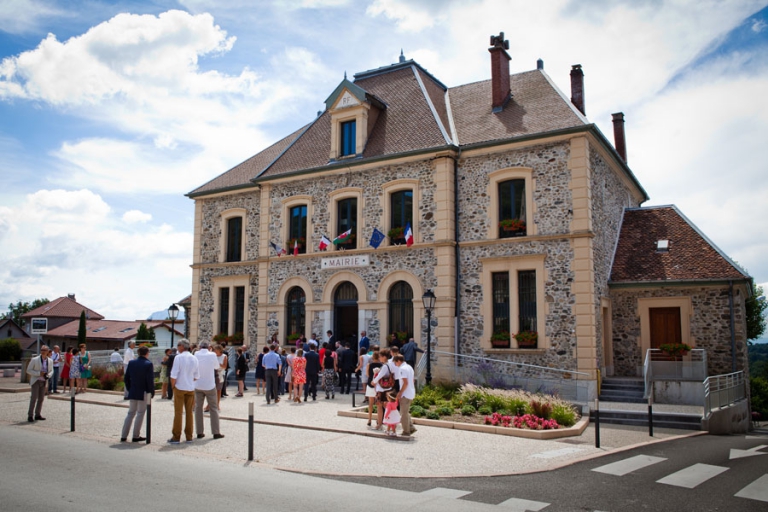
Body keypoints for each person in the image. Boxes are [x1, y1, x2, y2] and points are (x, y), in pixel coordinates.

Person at [168, 340, 199, 444]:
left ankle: (176, 436)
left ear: (181, 346)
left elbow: (173, 375)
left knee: (178, 412)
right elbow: (196, 376)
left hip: (180, 387)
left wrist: (173, 387)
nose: (177, 347)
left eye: (178, 345)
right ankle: (189, 436)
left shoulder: (178, 357)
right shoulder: (194, 358)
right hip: (190, 387)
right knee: (189, 413)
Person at [120, 346, 154, 442]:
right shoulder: (148, 364)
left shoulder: (131, 363)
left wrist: (130, 388)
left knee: (130, 413)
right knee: (140, 413)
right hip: (143, 391)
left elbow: (126, 378)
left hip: (133, 390)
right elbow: (149, 380)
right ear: (147, 353)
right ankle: (135, 435)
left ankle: (124, 435)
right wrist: (151, 392)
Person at [194, 341, 224, 440]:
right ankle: (216, 432)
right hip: (209, 385)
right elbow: (216, 367)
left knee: (198, 408)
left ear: (200, 347)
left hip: (198, 384)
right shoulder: (212, 355)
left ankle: (199, 432)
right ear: (209, 347)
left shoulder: (196, 354)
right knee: (213, 408)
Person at [27, 346, 53, 422]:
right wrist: (39, 373)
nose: (43, 351)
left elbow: (51, 370)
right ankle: (30, 415)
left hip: (44, 381)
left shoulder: (50, 361)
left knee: (41, 399)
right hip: (36, 380)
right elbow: (28, 370)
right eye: (42, 350)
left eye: (45, 350)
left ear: (48, 351)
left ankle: (37, 414)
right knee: (34, 398)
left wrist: (48, 375)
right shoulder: (35, 359)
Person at [393, 354, 417, 436]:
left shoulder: (402, 369)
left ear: (399, 361)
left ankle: (406, 431)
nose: (395, 364)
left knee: (403, 414)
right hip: (411, 392)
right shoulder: (409, 367)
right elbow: (412, 380)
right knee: (406, 412)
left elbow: (405, 382)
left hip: (405, 394)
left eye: (395, 363)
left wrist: (400, 392)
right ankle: (410, 427)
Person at [372, 349, 395, 430]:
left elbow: (380, 376)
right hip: (388, 388)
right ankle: (389, 423)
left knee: (380, 407)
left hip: (382, 389)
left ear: (384, 357)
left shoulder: (385, 366)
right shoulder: (390, 365)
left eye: (380, 357)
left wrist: (374, 381)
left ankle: (380, 424)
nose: (379, 358)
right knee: (387, 407)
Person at [363, 351, 381, 427]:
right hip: (378, 385)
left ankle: (369, 419)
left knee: (370, 404)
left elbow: (367, 374)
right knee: (378, 404)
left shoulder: (369, 365)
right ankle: (378, 419)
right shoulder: (382, 365)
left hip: (370, 384)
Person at [213, 344, 227, 410]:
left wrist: (218, 364)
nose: (214, 351)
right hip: (213, 373)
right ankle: (210, 405)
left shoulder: (224, 356)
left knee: (218, 390)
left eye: (215, 350)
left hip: (220, 374)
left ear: (219, 350)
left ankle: (217, 405)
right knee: (211, 390)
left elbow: (225, 366)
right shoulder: (213, 356)